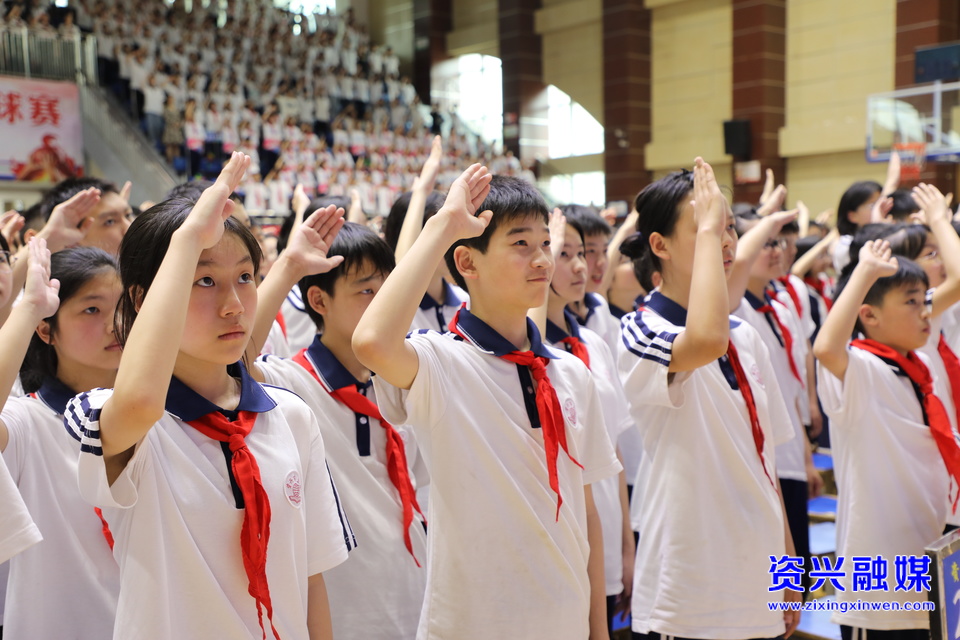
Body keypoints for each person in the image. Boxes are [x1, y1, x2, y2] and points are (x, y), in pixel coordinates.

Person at [63, 154, 353, 640]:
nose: (233, 305)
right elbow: (141, 403)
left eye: (245, 277)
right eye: (204, 280)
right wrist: (185, 242)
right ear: (144, 299)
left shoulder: (290, 415)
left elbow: (310, 578)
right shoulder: (104, 413)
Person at [353, 167, 621, 640]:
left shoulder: (570, 373)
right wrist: (442, 226)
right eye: (521, 244)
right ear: (467, 262)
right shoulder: (441, 361)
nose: (542, 259)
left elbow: (587, 513)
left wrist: (597, 629)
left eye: (545, 244)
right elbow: (372, 342)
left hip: (565, 621)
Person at [617, 160, 800, 639]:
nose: (726, 240)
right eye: (709, 227)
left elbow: (764, 463)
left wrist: (787, 565)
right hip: (688, 592)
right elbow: (705, 340)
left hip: (755, 578)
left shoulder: (746, 335)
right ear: (659, 246)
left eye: (730, 227)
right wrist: (709, 231)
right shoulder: (641, 328)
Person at [253, 219, 428, 640]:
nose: (384, 303)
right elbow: (235, 361)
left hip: (416, 599)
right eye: (366, 291)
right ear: (319, 300)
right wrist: (289, 266)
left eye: (388, 288)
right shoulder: (291, 384)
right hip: (343, 613)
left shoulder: (405, 376)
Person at [814, 238, 957, 639]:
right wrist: (864, 271)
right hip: (878, 583)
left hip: (926, 555)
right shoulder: (860, 368)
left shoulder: (920, 365)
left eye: (924, 300)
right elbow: (825, 348)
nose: (925, 311)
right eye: (911, 302)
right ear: (869, 315)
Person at [0, 243, 121, 640]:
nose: (116, 324)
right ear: (45, 330)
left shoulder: (160, 413)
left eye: (123, 307)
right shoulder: (27, 422)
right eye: (92, 309)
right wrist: (30, 306)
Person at [540, 212, 636, 635]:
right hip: (558, 538)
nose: (581, 266)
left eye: (581, 254)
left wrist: (626, 545)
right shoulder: (528, 353)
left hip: (607, 532)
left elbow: (612, 449)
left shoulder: (594, 342)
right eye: (563, 254)